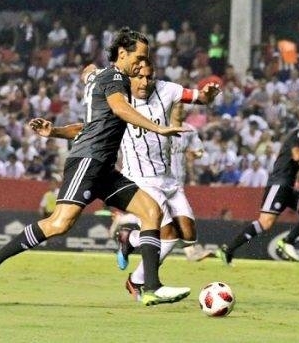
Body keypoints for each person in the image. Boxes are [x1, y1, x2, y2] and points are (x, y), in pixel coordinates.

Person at [0, 27, 191, 306]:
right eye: (139, 56)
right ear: (122, 53)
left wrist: (57, 131)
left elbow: (91, 126)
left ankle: (150, 287)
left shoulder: (108, 79)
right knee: (59, 224)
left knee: (151, 211)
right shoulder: (115, 78)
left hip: (104, 167)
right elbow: (120, 110)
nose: (141, 63)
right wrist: (158, 128)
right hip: (88, 161)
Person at [29, 60, 220, 300]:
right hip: (141, 178)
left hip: (169, 179)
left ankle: (129, 240)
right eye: (139, 76)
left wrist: (208, 94)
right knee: (168, 232)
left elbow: (201, 97)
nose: (144, 81)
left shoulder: (167, 90)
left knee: (188, 233)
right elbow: (87, 123)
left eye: (149, 76)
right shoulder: (118, 100)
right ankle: (142, 282)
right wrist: (56, 130)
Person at [219, 105, 299, 264]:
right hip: (279, 184)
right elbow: (297, 155)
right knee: (265, 223)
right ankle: (228, 250)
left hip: (288, 187)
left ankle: (288, 242)